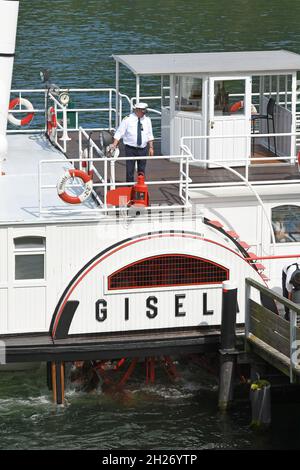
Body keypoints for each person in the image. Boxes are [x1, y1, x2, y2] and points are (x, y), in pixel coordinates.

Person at [111, 102, 154, 182]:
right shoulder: (127, 119)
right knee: (130, 170)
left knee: (142, 170)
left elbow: (149, 134)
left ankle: (140, 186)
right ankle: (129, 187)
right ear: (137, 110)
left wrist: (151, 147)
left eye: (144, 112)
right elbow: (119, 132)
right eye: (142, 112)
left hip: (143, 149)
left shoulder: (147, 120)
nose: (143, 114)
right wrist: (114, 145)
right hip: (130, 149)